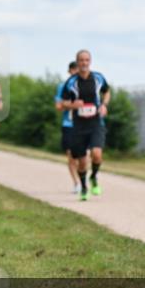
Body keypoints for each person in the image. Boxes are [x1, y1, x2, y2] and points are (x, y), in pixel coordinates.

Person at [60, 50, 110, 201]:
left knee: (97, 154)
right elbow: (62, 103)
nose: (84, 63)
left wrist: (104, 105)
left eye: (87, 60)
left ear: (90, 61)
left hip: (95, 123)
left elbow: (107, 91)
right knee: (81, 162)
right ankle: (83, 187)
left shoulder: (98, 78)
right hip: (78, 125)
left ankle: (93, 177)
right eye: (81, 60)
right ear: (77, 62)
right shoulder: (71, 82)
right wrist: (73, 104)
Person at [55, 61, 84, 192]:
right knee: (71, 156)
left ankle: (83, 179)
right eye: (74, 70)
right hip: (69, 124)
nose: (76, 72)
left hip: (85, 124)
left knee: (84, 156)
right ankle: (76, 183)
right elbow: (58, 106)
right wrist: (73, 105)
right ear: (70, 71)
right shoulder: (63, 87)